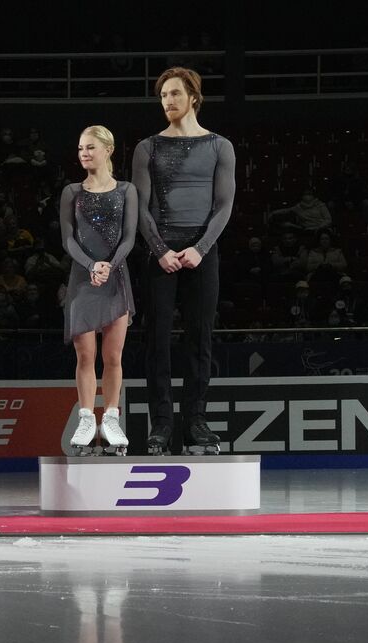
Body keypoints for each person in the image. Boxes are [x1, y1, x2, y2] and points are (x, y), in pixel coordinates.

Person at [132, 66, 235, 455]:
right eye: (163, 95)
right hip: (159, 252)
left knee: (200, 339)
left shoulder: (220, 146)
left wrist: (201, 248)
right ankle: (161, 425)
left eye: (174, 93)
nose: (167, 101)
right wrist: (160, 250)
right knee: (157, 341)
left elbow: (224, 206)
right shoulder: (147, 147)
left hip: (201, 252)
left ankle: (195, 422)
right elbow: (140, 207)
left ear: (193, 97)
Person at [60, 126, 137, 456]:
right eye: (80, 148)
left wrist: (108, 265)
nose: (84, 154)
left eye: (90, 147)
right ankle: (86, 418)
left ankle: (111, 418)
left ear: (108, 149)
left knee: (113, 356)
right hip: (82, 279)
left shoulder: (127, 190)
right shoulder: (71, 192)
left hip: (116, 278)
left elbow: (129, 237)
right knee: (85, 356)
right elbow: (67, 239)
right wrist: (92, 266)